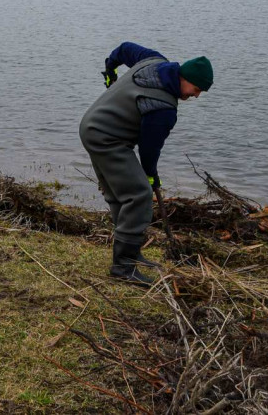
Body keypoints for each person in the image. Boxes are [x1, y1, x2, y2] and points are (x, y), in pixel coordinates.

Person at [79, 42, 213, 285]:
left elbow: (124, 49)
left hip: (92, 126)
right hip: (107, 138)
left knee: (119, 193)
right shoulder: (163, 107)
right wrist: (150, 176)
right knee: (139, 195)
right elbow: (149, 148)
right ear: (185, 77)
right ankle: (123, 267)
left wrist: (111, 71)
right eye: (196, 88)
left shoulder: (153, 60)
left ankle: (129, 253)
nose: (196, 95)